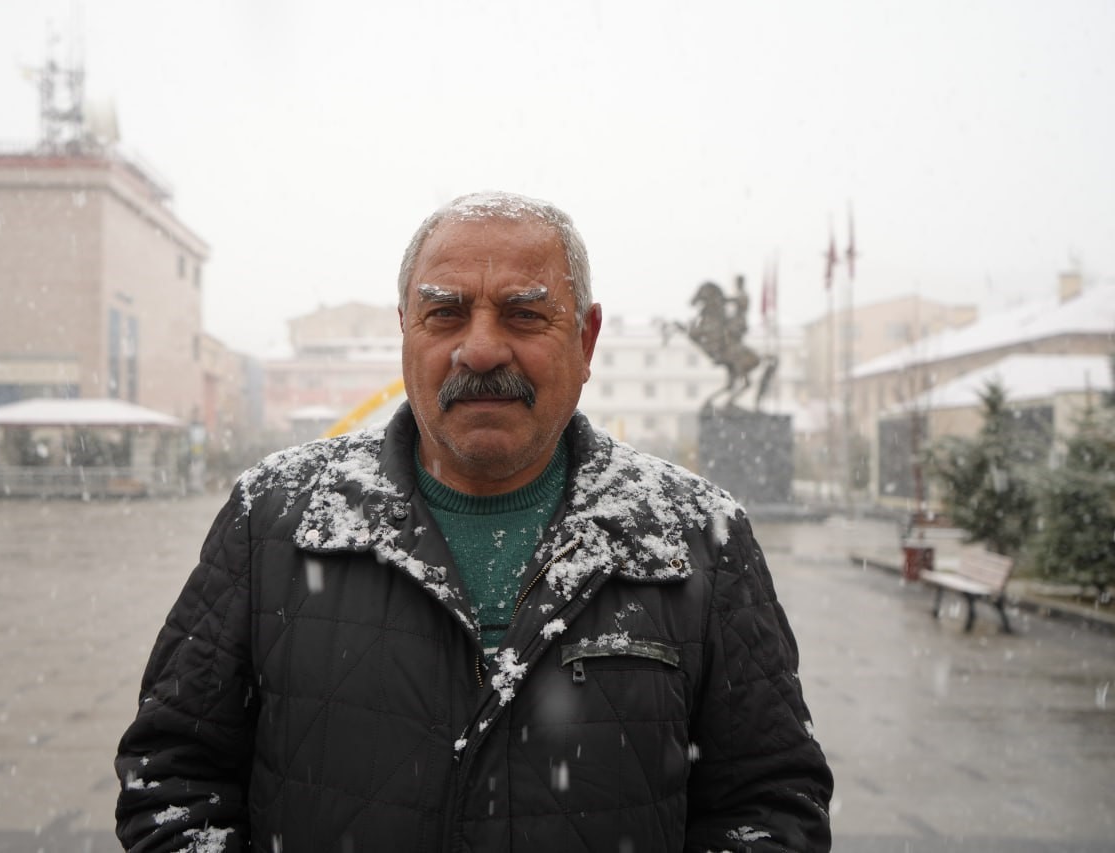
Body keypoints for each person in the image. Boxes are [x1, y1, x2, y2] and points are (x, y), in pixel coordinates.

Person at [114, 191, 833, 852]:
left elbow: (767, 805)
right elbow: (173, 781)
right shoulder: (269, 518)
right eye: (446, 312)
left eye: (524, 313)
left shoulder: (701, 537)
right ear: (406, 333)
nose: (481, 348)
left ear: (585, 341)